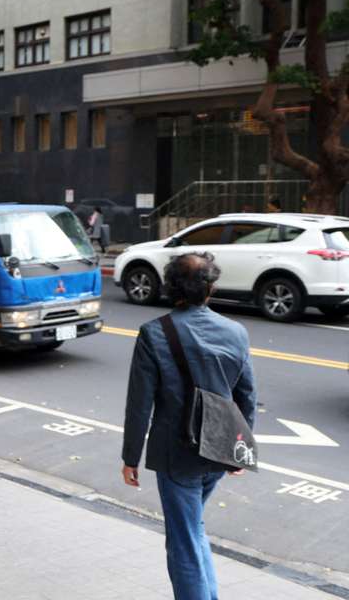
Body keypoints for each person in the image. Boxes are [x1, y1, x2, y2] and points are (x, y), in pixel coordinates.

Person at [122, 252, 257, 600]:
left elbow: (140, 404)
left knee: (182, 541)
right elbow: (246, 396)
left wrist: (131, 457)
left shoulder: (154, 333)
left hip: (176, 455)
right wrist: (239, 451)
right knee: (193, 528)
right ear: (210, 287)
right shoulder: (236, 332)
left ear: (171, 287)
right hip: (217, 450)